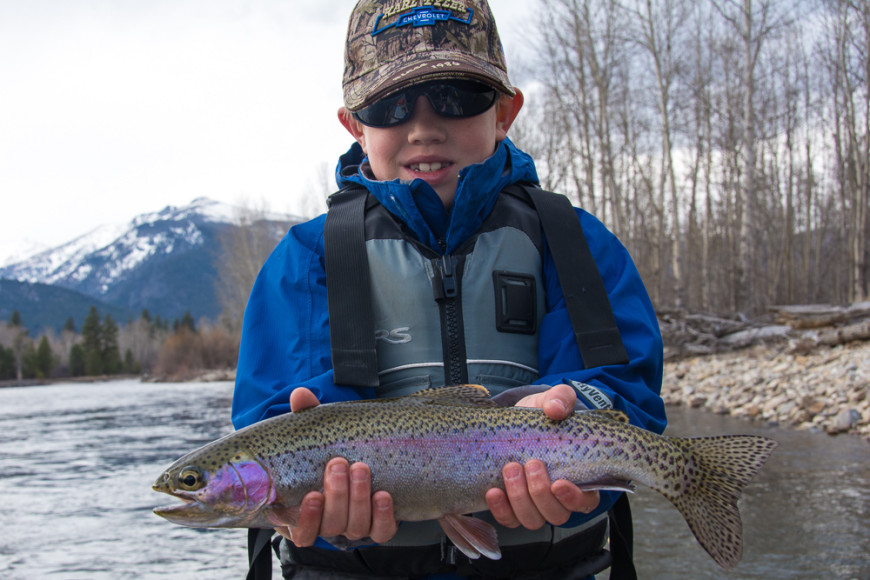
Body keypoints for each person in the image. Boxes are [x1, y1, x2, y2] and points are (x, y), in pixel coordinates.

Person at [232, 1, 666, 578]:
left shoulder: (572, 241)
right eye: (390, 105)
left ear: (505, 112)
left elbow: (626, 393)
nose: (423, 127)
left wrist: (578, 408)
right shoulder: (306, 263)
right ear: (355, 126)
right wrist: (311, 510)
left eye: (458, 97)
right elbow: (274, 415)